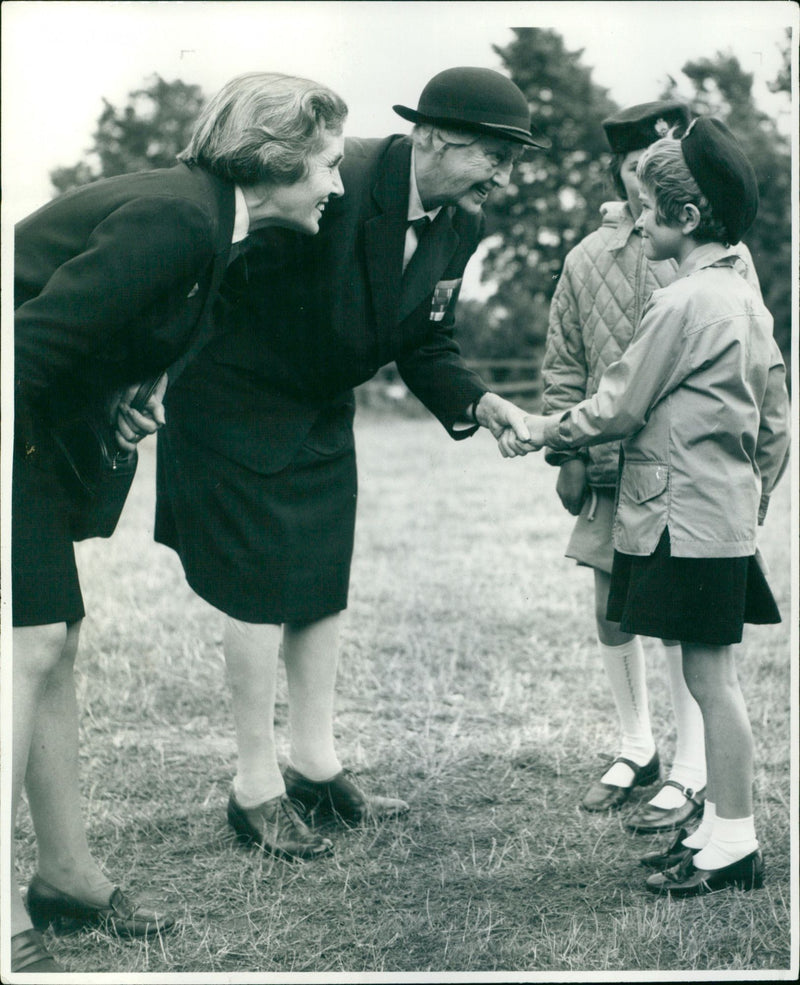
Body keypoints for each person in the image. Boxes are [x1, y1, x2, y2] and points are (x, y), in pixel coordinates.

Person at [154, 66, 548, 863]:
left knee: (319, 582)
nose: (502, 175)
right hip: (235, 397)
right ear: (435, 138)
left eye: (510, 159)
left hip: (322, 405)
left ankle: (315, 765)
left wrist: (482, 403)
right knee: (258, 586)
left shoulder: (459, 221)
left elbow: (424, 338)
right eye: (493, 154)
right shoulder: (336, 176)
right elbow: (217, 265)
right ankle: (254, 787)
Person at [10, 71, 348, 973]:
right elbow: (25, 345)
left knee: (54, 638)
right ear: (275, 162)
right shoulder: (182, 218)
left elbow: (85, 335)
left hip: (32, 421)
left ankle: (68, 878)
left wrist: (117, 392)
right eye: (326, 164)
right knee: (29, 639)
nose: (337, 186)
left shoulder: (213, 224)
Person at [508, 117, 790, 895]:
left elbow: (616, 405)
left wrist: (540, 428)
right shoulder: (745, 297)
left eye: (648, 212)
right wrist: (748, 504)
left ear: (685, 219)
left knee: (712, 682)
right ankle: (715, 826)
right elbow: (776, 426)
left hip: (679, 521)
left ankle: (734, 841)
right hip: (718, 521)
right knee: (713, 676)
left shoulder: (682, 302)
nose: (638, 222)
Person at [541, 100, 711, 831]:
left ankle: (691, 764)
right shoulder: (585, 258)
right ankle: (636, 744)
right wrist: (566, 451)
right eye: (636, 160)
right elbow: (564, 361)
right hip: (608, 466)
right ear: (619, 170)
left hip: (680, 475)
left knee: (679, 617)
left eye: (664, 155)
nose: (646, 171)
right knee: (614, 607)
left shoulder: (709, 256)